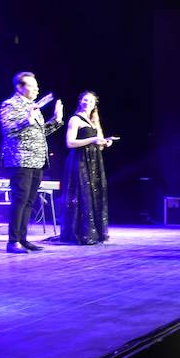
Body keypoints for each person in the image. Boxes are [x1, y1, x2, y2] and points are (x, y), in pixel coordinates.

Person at [0, 71, 63, 253]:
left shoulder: (33, 107)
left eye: (37, 87)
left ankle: (23, 239)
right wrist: (27, 119)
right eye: (32, 86)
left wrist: (56, 121)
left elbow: (39, 134)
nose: (36, 90)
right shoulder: (9, 105)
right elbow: (8, 130)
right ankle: (13, 242)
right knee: (19, 199)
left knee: (29, 201)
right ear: (20, 87)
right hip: (20, 158)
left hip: (37, 160)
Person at [58, 90, 112, 244]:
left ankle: (94, 232)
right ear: (80, 101)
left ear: (95, 104)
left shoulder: (94, 121)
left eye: (90, 101)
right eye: (84, 100)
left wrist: (105, 142)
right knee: (81, 194)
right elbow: (70, 143)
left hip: (94, 161)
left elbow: (99, 145)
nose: (87, 103)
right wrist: (92, 139)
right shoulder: (75, 119)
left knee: (93, 194)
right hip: (80, 160)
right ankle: (80, 232)